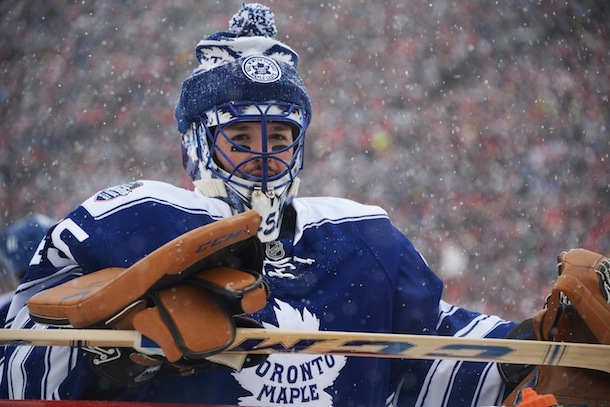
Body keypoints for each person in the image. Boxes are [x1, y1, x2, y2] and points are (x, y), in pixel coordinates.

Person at [0, 4, 605, 406]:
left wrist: (520, 358)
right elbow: (15, 355)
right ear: (195, 143)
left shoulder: (357, 238)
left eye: (281, 136)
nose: (265, 156)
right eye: (241, 137)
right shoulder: (133, 220)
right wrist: (108, 359)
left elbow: (425, 357)